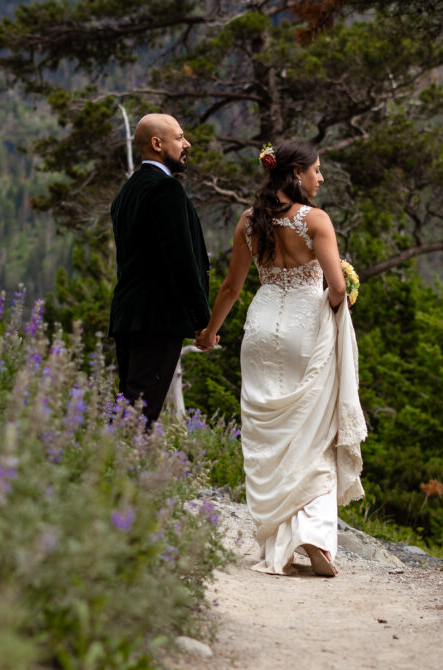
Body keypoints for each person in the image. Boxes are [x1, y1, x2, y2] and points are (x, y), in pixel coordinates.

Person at [195, 141, 366, 577]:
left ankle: (281, 540)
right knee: (312, 433)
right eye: (316, 171)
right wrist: (336, 311)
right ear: (295, 173)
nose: (320, 178)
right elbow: (337, 287)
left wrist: (211, 331)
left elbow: (231, 288)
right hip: (305, 330)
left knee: (271, 438)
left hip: (260, 329)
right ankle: (316, 538)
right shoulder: (316, 221)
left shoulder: (249, 222)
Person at [109, 113, 210, 423]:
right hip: (157, 318)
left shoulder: (126, 193)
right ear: (156, 144)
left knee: (130, 407)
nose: (186, 143)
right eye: (179, 137)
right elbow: (181, 260)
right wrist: (202, 320)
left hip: (130, 315)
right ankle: (108, 467)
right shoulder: (165, 190)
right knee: (138, 416)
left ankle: (107, 465)